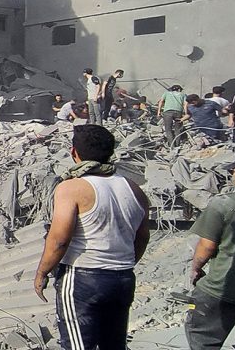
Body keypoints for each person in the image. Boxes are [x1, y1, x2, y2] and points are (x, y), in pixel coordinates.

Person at [33, 124, 150, 350]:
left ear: (74, 153)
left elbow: (59, 240)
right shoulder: (134, 188)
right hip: (123, 279)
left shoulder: (71, 188)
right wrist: (121, 265)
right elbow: (143, 236)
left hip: (83, 280)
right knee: (114, 345)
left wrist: (42, 272)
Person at [184, 155, 235, 349]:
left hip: (223, 289)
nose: (233, 174)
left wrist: (195, 268)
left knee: (203, 339)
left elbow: (206, 246)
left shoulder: (225, 204)